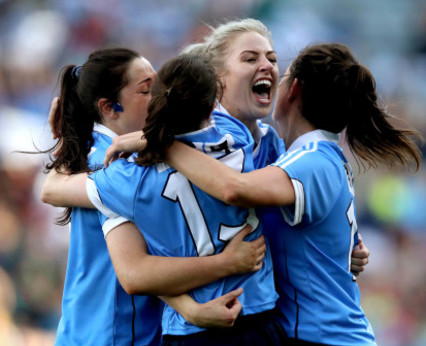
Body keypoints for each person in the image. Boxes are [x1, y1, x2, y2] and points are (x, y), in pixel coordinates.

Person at [164, 42, 423, 346]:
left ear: (295, 88)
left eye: (281, 72)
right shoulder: (304, 156)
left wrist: (164, 144)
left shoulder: (313, 160)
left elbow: (234, 188)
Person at [41, 47, 267, 346]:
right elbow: (135, 270)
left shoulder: (136, 157)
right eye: (147, 89)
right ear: (110, 108)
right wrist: (220, 270)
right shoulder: (111, 165)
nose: (161, 94)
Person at [105, 19, 371, 276]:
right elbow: (137, 265)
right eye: (250, 59)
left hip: (263, 316)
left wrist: (340, 247)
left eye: (273, 59)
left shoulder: (281, 153)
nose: (267, 66)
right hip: (193, 318)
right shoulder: (167, 147)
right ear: (216, 78)